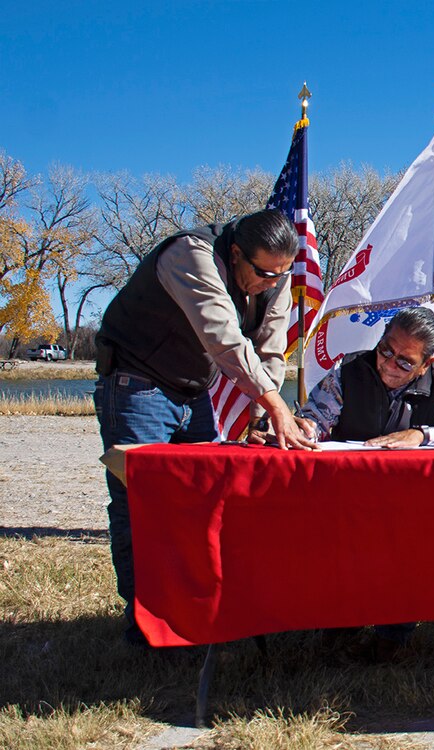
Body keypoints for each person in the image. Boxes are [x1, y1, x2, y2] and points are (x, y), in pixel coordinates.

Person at [95, 209, 318, 646]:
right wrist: (276, 406)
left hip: (193, 392)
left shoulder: (273, 280)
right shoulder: (190, 254)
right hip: (137, 383)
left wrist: (260, 414)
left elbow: (271, 351)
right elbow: (223, 339)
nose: (273, 283)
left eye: (281, 274)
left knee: (203, 503)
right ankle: (143, 627)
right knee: (141, 505)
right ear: (235, 254)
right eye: (263, 273)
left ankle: (194, 617)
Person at [299, 306, 434, 659]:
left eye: (405, 362)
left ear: (426, 364)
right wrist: (299, 429)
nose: (388, 363)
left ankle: (394, 632)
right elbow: (315, 420)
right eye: (385, 349)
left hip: (415, 509)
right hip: (349, 502)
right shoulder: (347, 373)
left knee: (412, 542)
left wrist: (420, 435)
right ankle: (342, 621)